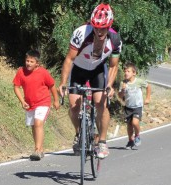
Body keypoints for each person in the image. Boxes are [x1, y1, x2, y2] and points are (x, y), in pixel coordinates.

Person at [58, 3, 122, 159]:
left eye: (103, 28)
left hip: (98, 70)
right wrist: (63, 83)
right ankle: (79, 133)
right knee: (74, 106)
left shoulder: (115, 39)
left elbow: (113, 66)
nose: (99, 31)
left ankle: (102, 141)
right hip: (79, 69)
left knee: (101, 103)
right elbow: (69, 59)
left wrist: (109, 85)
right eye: (96, 27)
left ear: (109, 26)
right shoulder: (81, 33)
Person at [13, 50, 60, 161]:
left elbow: (52, 86)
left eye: (31, 61)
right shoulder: (21, 72)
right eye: (27, 61)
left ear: (37, 63)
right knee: (34, 125)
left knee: (38, 122)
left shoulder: (43, 72)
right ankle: (40, 149)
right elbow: (16, 87)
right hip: (29, 104)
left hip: (43, 102)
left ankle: (37, 150)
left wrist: (56, 100)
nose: (28, 63)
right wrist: (22, 101)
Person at [118, 62, 151, 149]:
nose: (126, 73)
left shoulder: (139, 81)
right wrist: (123, 90)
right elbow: (120, 96)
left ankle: (137, 135)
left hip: (137, 107)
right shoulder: (123, 83)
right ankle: (130, 140)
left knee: (135, 122)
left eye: (128, 71)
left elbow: (148, 86)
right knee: (129, 125)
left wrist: (147, 98)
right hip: (128, 107)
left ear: (134, 73)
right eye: (125, 71)